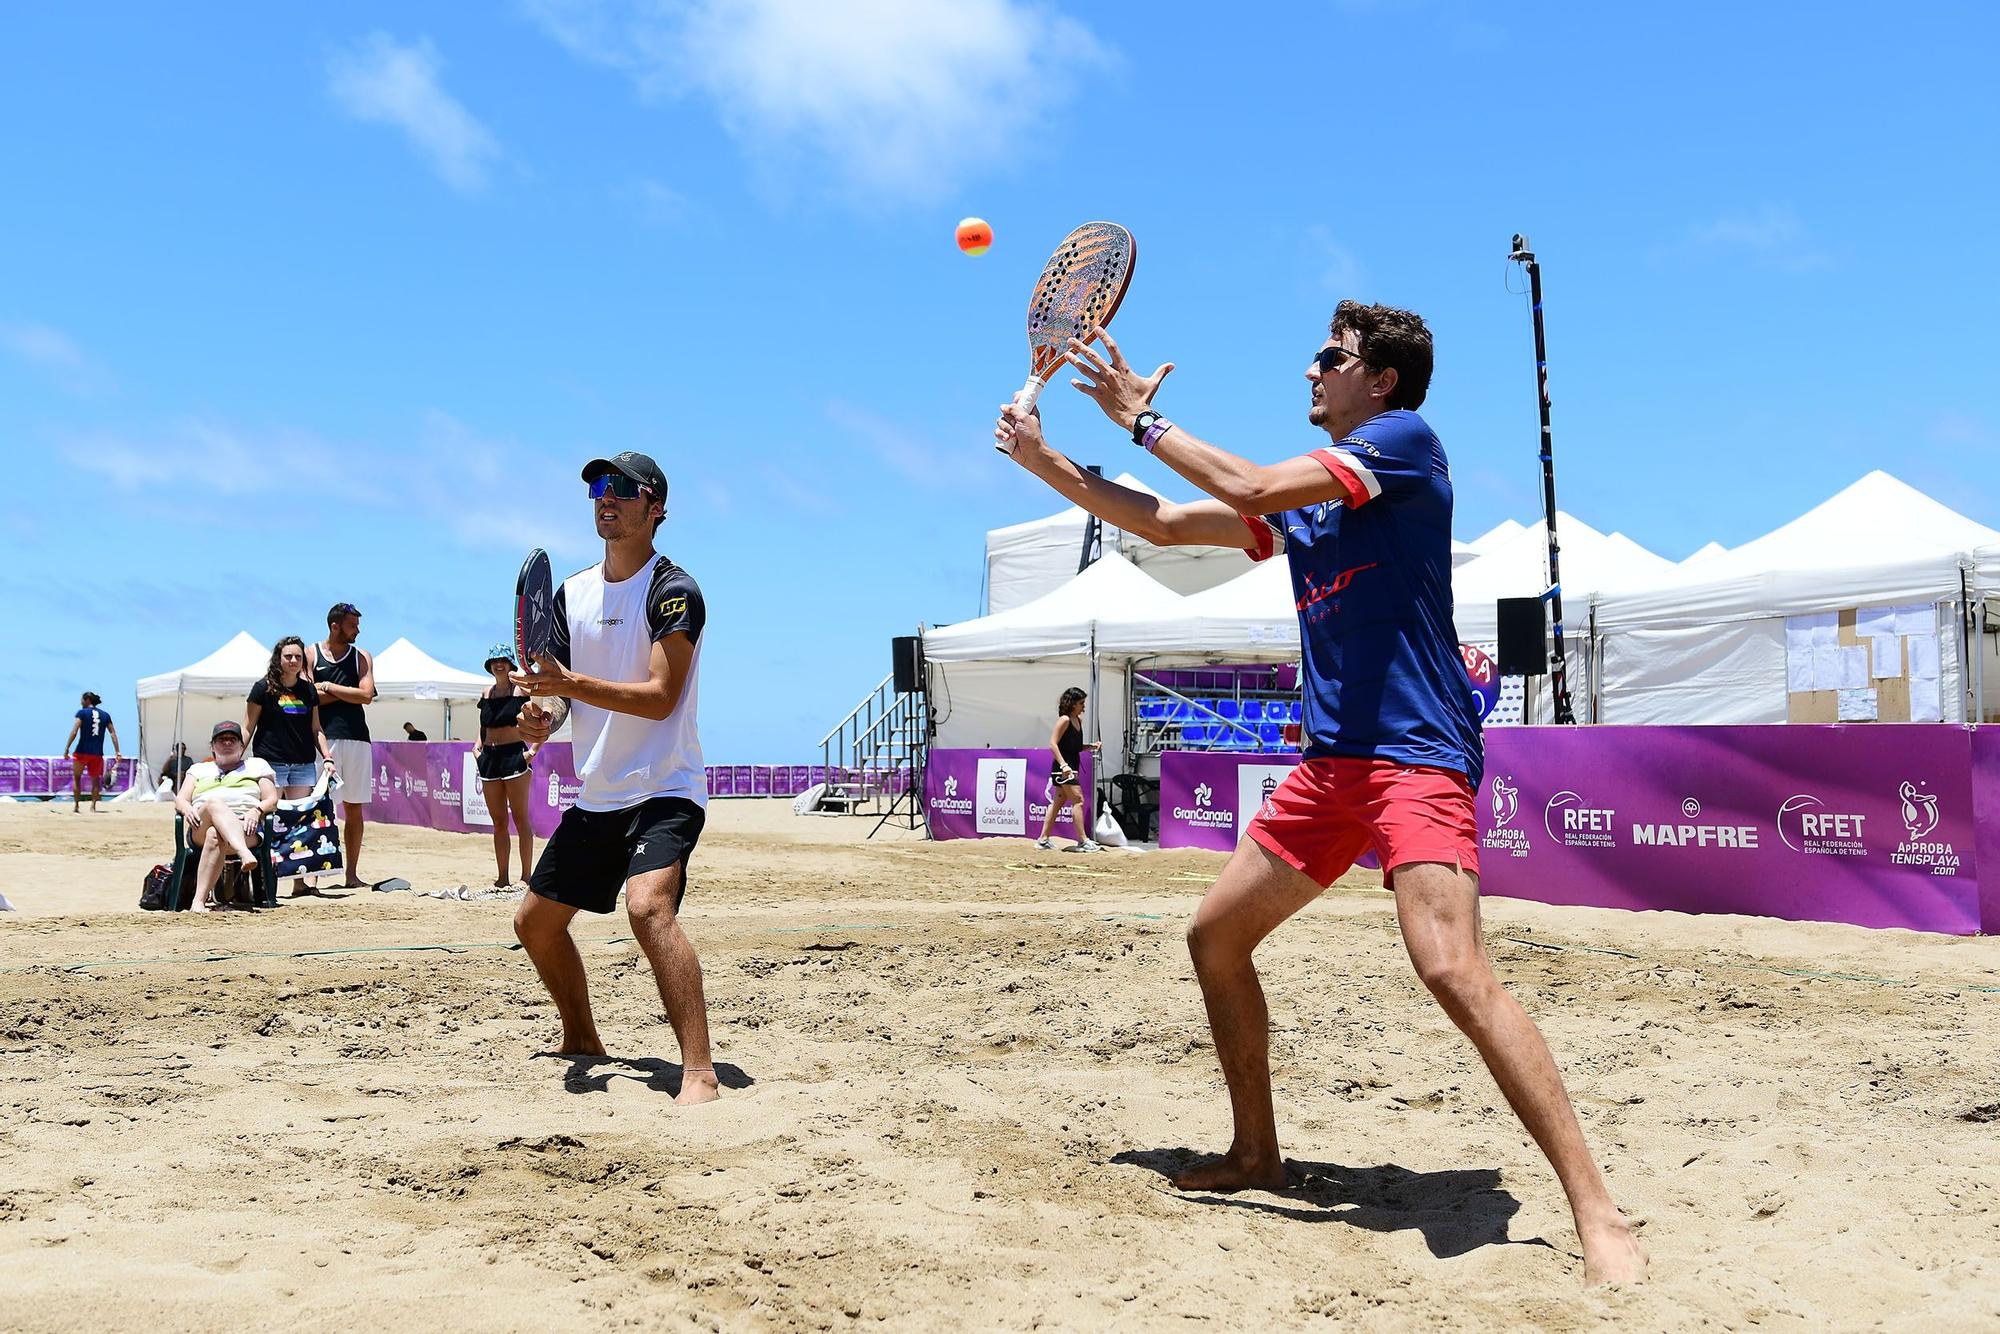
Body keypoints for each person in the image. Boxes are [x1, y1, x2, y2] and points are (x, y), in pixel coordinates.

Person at [993, 303, 1646, 1285]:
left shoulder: (1402, 443)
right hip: (1328, 766)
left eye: (1328, 357)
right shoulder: (1305, 506)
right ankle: (1256, 1149)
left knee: (1450, 969)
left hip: (1412, 755)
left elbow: (1245, 480)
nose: (1309, 368)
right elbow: (1166, 522)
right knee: (1214, 936)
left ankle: (1597, 1212)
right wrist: (1041, 461)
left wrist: (1142, 421)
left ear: (1377, 379)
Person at [513, 450, 717, 1106]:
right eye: (599, 486)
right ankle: (583, 1038)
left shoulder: (674, 590)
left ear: (655, 508)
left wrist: (570, 684)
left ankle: (700, 1072)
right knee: (534, 925)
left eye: (624, 489)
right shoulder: (572, 594)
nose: (607, 496)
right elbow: (562, 697)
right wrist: (543, 715)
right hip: (598, 794)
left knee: (646, 907)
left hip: (664, 789)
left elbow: (660, 696)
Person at [245, 635, 334, 897]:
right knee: (269, 820)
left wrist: (327, 757)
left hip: (303, 764)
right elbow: (248, 726)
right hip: (270, 764)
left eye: (298, 657)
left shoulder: (308, 691)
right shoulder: (262, 688)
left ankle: (299, 883)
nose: (294, 661)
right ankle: (263, 882)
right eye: (288, 656)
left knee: (300, 824)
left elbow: (316, 728)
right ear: (278, 659)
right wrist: (234, 756)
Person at [173, 721, 277, 913]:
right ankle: (243, 853)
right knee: (214, 803)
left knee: (216, 834)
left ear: (242, 746)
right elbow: (180, 799)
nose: (227, 743)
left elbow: (272, 799)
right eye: (221, 740)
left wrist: (257, 810)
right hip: (201, 826)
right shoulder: (198, 769)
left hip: (245, 827)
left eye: (232, 739)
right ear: (212, 746)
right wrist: (187, 809)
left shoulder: (257, 766)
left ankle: (198, 902)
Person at [311, 602, 377, 889]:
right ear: (335, 625)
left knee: (354, 809)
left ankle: (351, 874)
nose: (358, 631)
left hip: (358, 737)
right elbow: (309, 696)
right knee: (319, 807)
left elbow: (366, 695)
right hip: (324, 738)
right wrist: (345, 693)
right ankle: (311, 874)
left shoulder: (361, 656)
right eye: (353, 625)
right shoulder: (311, 653)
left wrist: (328, 687)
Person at [475, 645, 538, 890]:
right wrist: (477, 748)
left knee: (521, 818)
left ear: (511, 664)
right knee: (498, 821)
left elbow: (543, 718)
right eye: (493, 661)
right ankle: (502, 877)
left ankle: (525, 876)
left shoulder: (520, 690)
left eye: (502, 660)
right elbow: (483, 727)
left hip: (515, 755)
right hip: (489, 758)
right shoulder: (486, 693)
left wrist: (533, 751)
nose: (498, 664)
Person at [1034, 686, 1102, 852]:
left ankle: (1043, 839)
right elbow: (1053, 743)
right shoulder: (1064, 720)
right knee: (1078, 800)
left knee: (1058, 802)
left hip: (1071, 767)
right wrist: (1064, 765)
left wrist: (1091, 746)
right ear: (1072, 704)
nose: (1083, 706)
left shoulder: (1078, 721)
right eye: (1081, 703)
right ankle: (1083, 840)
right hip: (1063, 768)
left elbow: (1075, 747)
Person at [62, 691, 123, 812]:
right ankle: (93, 807)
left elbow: (74, 731)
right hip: (97, 753)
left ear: (87, 700)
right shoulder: (105, 715)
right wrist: (117, 751)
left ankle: (76, 806)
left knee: (77, 777)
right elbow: (113, 734)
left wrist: (67, 748)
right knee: (95, 780)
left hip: (82, 751)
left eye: (82, 700)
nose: (81, 702)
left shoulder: (82, 713)